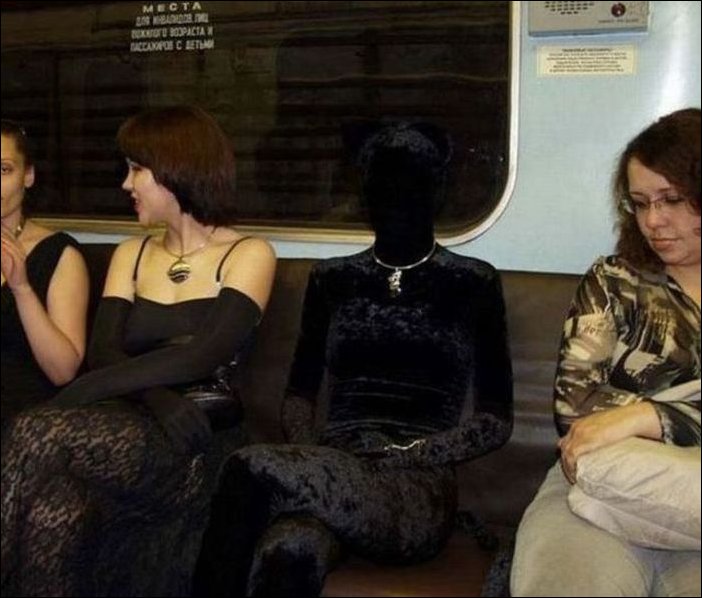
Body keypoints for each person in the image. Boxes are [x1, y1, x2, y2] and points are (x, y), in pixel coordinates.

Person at [193, 121, 513, 597]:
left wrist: (409, 454)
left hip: (415, 485)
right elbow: (298, 395)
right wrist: (318, 457)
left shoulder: (473, 282)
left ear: (436, 192)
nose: (397, 198)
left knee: (247, 467)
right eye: (383, 186)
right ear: (366, 195)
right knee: (288, 550)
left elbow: (495, 420)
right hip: (336, 466)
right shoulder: (332, 279)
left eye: (412, 185)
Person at [0, 105, 276, 597]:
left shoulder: (249, 253)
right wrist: (155, 396)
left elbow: (201, 356)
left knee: (35, 429)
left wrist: (82, 392)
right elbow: (104, 350)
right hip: (135, 417)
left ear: (175, 168)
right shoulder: (131, 253)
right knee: (55, 510)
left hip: (196, 434)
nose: (125, 184)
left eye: (135, 169)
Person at [511, 108, 701, 597]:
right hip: (599, 478)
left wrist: (649, 416)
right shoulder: (613, 281)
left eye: (672, 199)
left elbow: (612, 413)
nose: (653, 220)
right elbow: (575, 408)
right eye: (640, 203)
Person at [1, 119, 89, 432]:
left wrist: (21, 288)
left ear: (28, 176)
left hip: (26, 420)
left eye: (4, 170)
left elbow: (63, 371)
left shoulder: (59, 254)